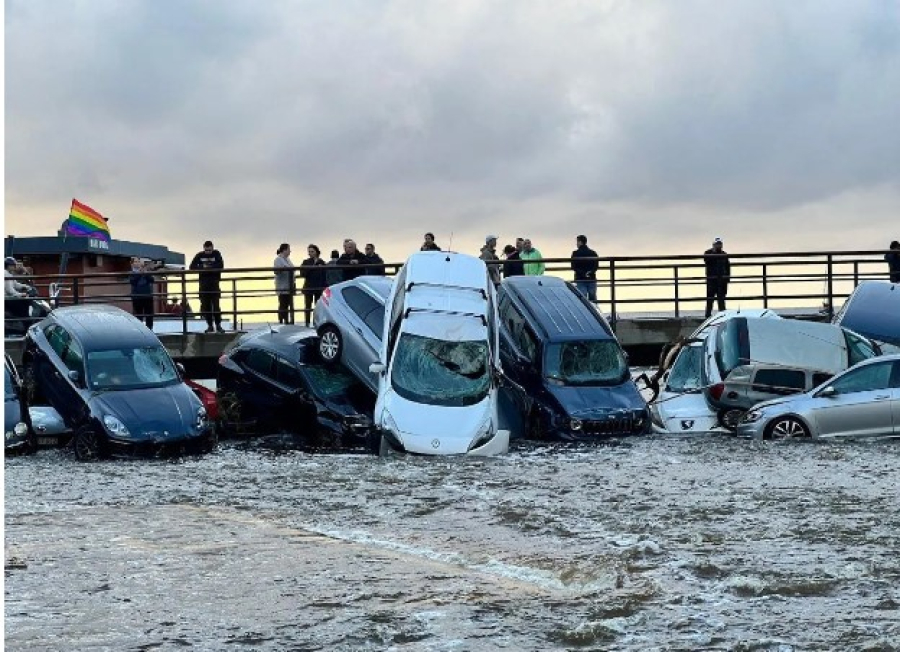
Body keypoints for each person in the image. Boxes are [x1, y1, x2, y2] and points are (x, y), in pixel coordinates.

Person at [189, 240, 225, 333]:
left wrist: (207, 268)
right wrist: (205, 268)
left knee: (216, 306)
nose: (208, 252)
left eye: (209, 250)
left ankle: (218, 325)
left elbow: (221, 265)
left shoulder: (216, 254)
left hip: (214, 284)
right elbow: (192, 267)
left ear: (212, 248)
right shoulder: (199, 255)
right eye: (206, 250)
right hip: (203, 285)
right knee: (206, 306)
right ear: (204, 249)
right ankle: (210, 326)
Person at [704, 237, 731, 318]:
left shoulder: (724, 254)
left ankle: (722, 315)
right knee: (710, 299)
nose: (719, 246)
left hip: (721, 280)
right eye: (717, 244)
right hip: (712, 279)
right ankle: (708, 315)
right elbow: (707, 261)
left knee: (721, 300)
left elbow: (727, 267)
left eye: (720, 244)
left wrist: (727, 278)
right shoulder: (708, 253)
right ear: (713, 245)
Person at [301, 244, 327, 326]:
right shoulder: (306, 262)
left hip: (318, 287)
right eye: (309, 252)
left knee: (318, 306)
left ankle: (316, 322)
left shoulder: (322, 262)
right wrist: (312, 267)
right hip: (308, 286)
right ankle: (307, 323)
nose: (310, 253)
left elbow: (324, 275)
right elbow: (302, 273)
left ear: (316, 252)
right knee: (307, 306)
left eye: (312, 251)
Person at [129, 257, 158, 329]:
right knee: (138, 316)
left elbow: (152, 280)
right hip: (137, 297)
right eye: (135, 262)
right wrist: (140, 273)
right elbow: (133, 281)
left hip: (147, 296)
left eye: (138, 261)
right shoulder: (131, 273)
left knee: (149, 315)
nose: (138, 263)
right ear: (132, 264)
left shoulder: (145, 271)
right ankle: (140, 330)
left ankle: (150, 329)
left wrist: (145, 273)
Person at [571, 235, 599, 303]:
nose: (576, 244)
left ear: (580, 242)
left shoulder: (575, 253)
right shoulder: (593, 253)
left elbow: (573, 266)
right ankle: (594, 309)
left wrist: (582, 273)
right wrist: (590, 272)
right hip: (591, 277)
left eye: (577, 242)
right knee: (593, 297)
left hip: (580, 278)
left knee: (582, 298)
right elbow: (596, 266)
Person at [274, 243, 295, 325]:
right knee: (283, 304)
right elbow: (276, 271)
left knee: (288, 304)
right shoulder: (278, 259)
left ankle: (287, 321)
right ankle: (282, 321)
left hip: (289, 285)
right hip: (282, 287)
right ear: (284, 250)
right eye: (289, 249)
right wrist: (283, 269)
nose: (290, 251)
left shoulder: (287, 259)